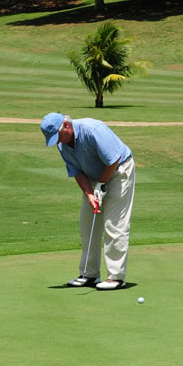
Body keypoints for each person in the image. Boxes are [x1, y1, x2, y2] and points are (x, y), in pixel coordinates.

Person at [40, 113, 135, 290]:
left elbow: (113, 159)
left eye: (58, 137)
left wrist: (102, 184)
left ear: (66, 126)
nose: (58, 142)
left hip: (119, 171)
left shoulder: (93, 129)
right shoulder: (62, 144)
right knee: (87, 225)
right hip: (94, 177)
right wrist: (90, 195)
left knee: (114, 225)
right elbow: (76, 171)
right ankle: (89, 274)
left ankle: (116, 277)